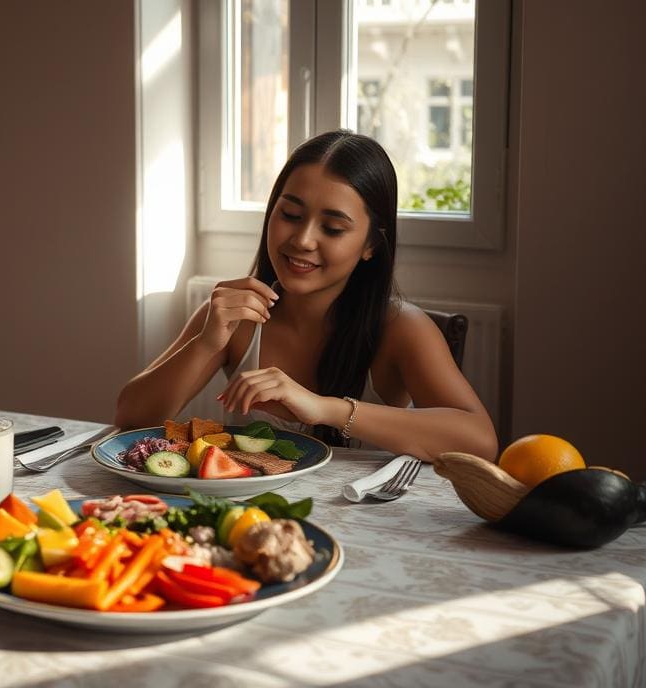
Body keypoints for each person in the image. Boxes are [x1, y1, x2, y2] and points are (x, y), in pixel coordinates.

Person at [115, 130, 497, 462]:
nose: (302, 240)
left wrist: (325, 408)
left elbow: (480, 442)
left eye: (332, 228)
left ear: (370, 246)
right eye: (291, 215)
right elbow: (130, 418)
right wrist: (205, 344)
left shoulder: (400, 327)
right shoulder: (235, 315)